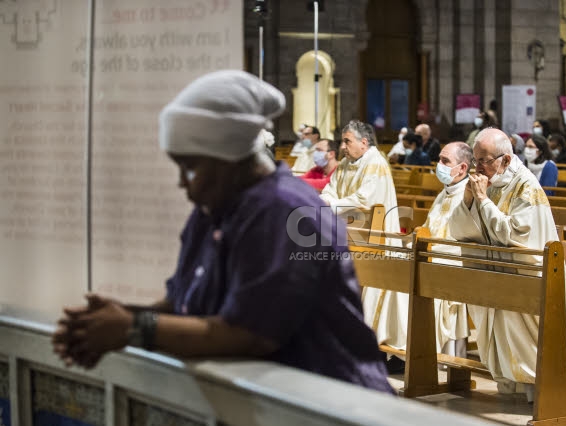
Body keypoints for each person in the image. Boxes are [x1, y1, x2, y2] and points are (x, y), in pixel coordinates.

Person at [51, 70, 394, 394]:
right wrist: (115, 317)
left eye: (190, 168)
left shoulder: (286, 211)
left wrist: (132, 328)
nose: (183, 184)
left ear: (229, 158)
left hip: (335, 405)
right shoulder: (214, 207)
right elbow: (184, 301)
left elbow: (249, 333)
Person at [447, 128, 566, 395]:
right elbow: (459, 230)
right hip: (497, 274)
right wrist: (469, 199)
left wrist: (481, 199)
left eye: (485, 160)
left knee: (530, 340)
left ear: (505, 159)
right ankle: (513, 383)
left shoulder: (526, 186)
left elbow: (514, 235)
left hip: (527, 275)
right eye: (476, 159)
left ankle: (544, 387)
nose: (479, 167)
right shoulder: (488, 181)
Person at [319, 120, 405, 372]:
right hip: (352, 238)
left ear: (364, 142)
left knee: (376, 296)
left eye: (347, 141)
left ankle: (383, 352)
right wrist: (329, 202)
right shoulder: (346, 163)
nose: (343, 146)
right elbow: (328, 190)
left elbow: (364, 200)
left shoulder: (375, 164)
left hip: (376, 239)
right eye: (343, 141)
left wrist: (332, 206)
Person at [422, 142, 473, 356]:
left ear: (462, 168)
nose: (439, 165)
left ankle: (423, 352)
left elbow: (470, 240)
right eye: (439, 160)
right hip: (434, 257)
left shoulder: (470, 194)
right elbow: (428, 228)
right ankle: (400, 349)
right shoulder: (445, 192)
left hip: (455, 262)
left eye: (445, 161)